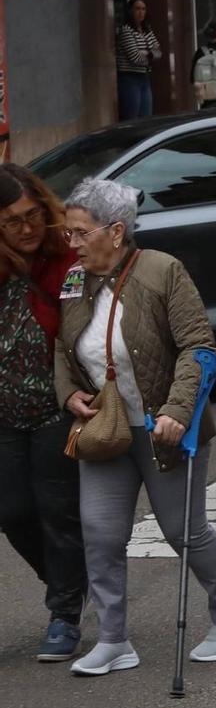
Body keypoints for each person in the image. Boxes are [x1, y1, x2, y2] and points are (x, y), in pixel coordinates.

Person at [57, 178, 216, 675]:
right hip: (107, 429)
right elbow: (63, 350)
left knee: (182, 531)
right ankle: (112, 639)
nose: (73, 244)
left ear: (117, 231)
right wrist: (68, 394)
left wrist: (177, 409)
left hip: (164, 424)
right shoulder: (73, 281)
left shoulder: (162, 271)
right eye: (69, 234)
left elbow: (198, 346)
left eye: (81, 234)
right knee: (100, 534)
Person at [0, 165, 84, 661]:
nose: (27, 229)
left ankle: (64, 615)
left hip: (59, 407)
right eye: (12, 222)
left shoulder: (65, 260)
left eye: (33, 216)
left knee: (58, 513)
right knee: (12, 512)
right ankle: (67, 580)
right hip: (5, 413)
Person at [113, 0, 163, 121]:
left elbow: (159, 52)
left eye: (143, 9)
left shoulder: (147, 29)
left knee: (146, 118)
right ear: (130, 11)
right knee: (131, 118)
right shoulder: (126, 30)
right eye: (137, 9)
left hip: (144, 77)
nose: (141, 12)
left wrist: (147, 53)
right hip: (129, 79)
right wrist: (150, 53)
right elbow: (134, 57)